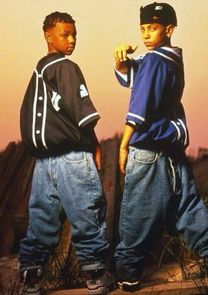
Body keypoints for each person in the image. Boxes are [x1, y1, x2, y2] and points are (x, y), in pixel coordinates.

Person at [113, 2, 208, 291]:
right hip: (172, 151)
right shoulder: (169, 58)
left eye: (153, 28)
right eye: (142, 28)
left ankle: (128, 272)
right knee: (187, 210)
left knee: (138, 215)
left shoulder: (155, 60)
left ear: (169, 29)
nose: (146, 34)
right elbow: (139, 75)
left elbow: (140, 105)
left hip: (148, 151)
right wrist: (121, 64)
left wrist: (123, 145)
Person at [19, 11, 115, 295]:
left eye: (74, 34)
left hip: (43, 163)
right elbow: (82, 113)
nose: (72, 40)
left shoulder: (40, 71)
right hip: (72, 156)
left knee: (41, 221)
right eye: (65, 34)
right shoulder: (65, 67)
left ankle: (30, 280)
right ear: (48, 36)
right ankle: (96, 276)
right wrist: (95, 145)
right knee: (87, 214)